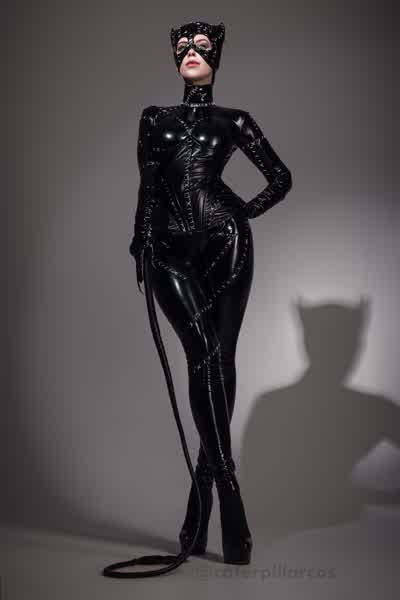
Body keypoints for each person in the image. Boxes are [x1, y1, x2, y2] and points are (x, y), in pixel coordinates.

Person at [129, 20, 292, 566]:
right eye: (183, 47)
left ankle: (199, 508)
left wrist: (243, 212)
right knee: (202, 353)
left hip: (228, 243)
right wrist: (140, 239)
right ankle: (230, 495)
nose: (191, 53)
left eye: (202, 46)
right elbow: (149, 187)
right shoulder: (154, 118)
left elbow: (280, 178)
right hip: (167, 251)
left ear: (217, 54)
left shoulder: (234, 120)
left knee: (219, 362)